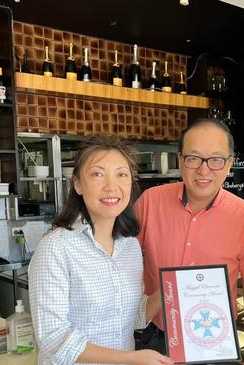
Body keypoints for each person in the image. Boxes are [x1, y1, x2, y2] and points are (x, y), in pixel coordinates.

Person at [28, 135, 173, 365]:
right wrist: (129, 358)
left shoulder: (130, 246)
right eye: (97, 174)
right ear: (77, 184)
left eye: (121, 174)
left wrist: (173, 286)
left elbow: (133, 317)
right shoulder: (56, 247)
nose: (111, 186)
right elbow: (53, 339)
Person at [135, 118, 244, 363]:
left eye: (216, 160)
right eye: (193, 158)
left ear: (229, 165)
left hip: (213, 341)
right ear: (180, 160)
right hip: (155, 338)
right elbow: (119, 259)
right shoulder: (149, 202)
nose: (204, 170)